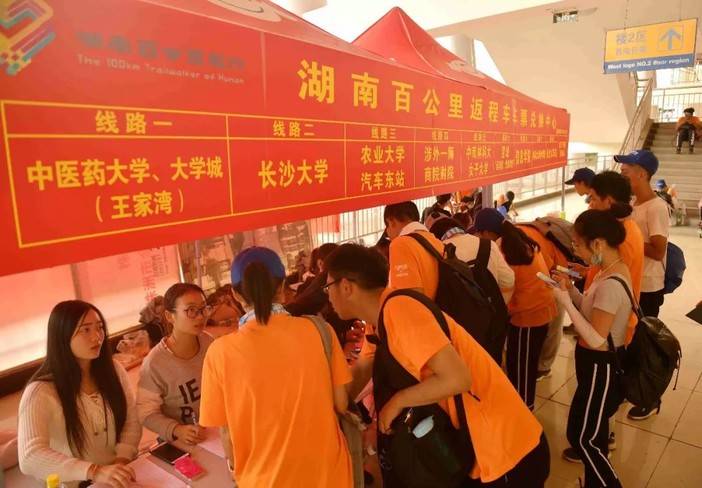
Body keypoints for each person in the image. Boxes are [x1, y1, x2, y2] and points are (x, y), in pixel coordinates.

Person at [324, 244, 549, 487]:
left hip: (505, 449)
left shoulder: (400, 310)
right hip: (477, 447)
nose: (327, 296)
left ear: (346, 287)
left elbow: (457, 378)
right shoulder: (378, 321)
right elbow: (362, 368)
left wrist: (397, 402)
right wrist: (330, 405)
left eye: (328, 287)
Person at [199, 247, 352, 488]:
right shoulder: (319, 330)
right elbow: (341, 403)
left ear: (236, 295)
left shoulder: (219, 353)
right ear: (282, 288)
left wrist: (234, 468)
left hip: (265, 480)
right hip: (330, 474)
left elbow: (226, 433)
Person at [18, 300, 141, 488]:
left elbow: (132, 421)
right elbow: (30, 456)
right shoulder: (40, 391)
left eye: (99, 327)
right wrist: (94, 471)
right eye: (86, 330)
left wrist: (121, 462)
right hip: (74, 483)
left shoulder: (114, 370)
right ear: (63, 335)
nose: (97, 337)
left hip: (117, 477)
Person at [552, 210, 630, 487]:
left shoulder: (611, 285)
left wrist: (565, 302)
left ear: (597, 243)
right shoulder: (607, 270)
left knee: (584, 439)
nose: (575, 250)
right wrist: (570, 290)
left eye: (577, 244)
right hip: (594, 366)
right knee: (591, 432)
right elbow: (590, 309)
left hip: (602, 367)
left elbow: (597, 339)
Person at [473, 209, 557, 410]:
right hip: (541, 309)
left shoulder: (502, 249)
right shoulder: (521, 238)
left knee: (521, 367)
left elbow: (501, 284)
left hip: (528, 315)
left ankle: (525, 409)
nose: (478, 238)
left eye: (479, 233)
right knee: (522, 363)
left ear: (487, 232)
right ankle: (523, 405)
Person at [618, 150, 670, 420]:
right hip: (633, 281)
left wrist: (629, 239)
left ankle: (651, 398)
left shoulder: (657, 207)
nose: (622, 174)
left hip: (649, 285)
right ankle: (631, 388)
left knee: (645, 345)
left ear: (642, 174)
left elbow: (659, 251)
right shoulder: (633, 203)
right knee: (631, 341)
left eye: (626, 171)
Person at [137, 283, 215, 444]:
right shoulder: (154, 363)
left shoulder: (208, 342)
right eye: (191, 310)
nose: (200, 316)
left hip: (214, 432)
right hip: (181, 442)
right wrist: (177, 430)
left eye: (203, 309)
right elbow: (145, 412)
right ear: (169, 316)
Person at [515, 220, 569, 381]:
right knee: (551, 327)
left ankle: (543, 367)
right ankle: (542, 366)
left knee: (553, 325)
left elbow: (555, 269)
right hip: (549, 277)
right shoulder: (519, 233)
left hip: (553, 278)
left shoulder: (513, 240)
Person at [428, 216, 515, 304]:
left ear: (435, 237)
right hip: (487, 308)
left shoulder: (436, 252)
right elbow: (508, 281)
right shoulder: (489, 245)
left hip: (451, 310)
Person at [384, 201, 444, 298]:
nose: (388, 233)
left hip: (424, 307)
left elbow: (409, 297)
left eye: (386, 226)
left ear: (391, 221)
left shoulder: (400, 244)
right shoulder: (434, 240)